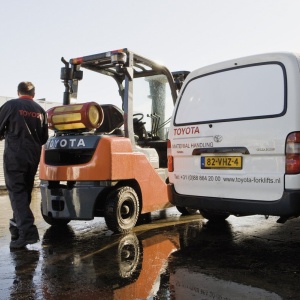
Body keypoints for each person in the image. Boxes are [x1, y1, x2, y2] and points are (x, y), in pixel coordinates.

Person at [0, 82, 48, 248]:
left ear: (18, 91)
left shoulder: (11, 105)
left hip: (15, 155)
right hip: (33, 156)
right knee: (24, 193)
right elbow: (44, 138)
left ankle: (28, 233)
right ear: (34, 94)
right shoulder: (41, 111)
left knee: (17, 192)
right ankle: (16, 228)